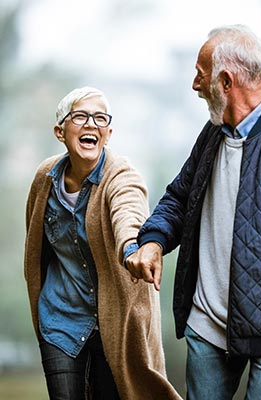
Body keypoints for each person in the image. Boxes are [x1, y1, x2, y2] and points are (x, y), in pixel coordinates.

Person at [125, 25, 261, 399]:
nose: (195, 85)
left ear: (226, 80)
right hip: (208, 326)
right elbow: (179, 198)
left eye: (200, 74)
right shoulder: (213, 133)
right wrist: (151, 241)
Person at [24, 86, 182, 400]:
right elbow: (35, 244)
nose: (91, 124)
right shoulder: (45, 178)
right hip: (60, 318)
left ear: (108, 133)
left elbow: (129, 213)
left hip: (114, 324)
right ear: (60, 131)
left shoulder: (121, 175)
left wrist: (132, 249)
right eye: (80, 116)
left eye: (99, 118)